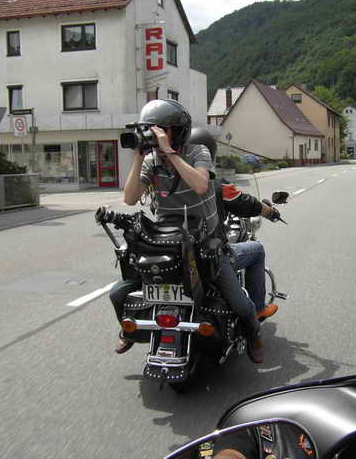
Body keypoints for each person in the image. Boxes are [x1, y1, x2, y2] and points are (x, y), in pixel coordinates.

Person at [110, 99, 263, 363]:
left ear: (178, 131)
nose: (153, 136)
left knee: (239, 303)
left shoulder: (197, 151)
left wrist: (170, 153)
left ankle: (253, 333)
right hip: (169, 245)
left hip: (206, 244)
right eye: (149, 130)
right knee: (117, 293)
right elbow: (130, 198)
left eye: (160, 129)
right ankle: (131, 329)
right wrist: (138, 156)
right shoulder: (151, 161)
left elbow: (201, 185)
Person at [186, 128, 278, 320]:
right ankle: (258, 308)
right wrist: (270, 212)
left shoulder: (168, 186)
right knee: (257, 250)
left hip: (181, 252)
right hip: (209, 253)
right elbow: (246, 203)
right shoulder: (217, 185)